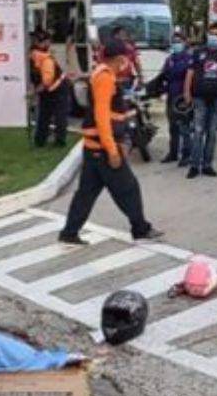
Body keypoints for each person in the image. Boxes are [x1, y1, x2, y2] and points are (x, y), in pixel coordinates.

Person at [59, 39, 163, 245]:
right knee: (129, 188)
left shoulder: (101, 73)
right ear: (118, 58)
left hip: (94, 147)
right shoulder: (105, 78)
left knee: (86, 193)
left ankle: (69, 232)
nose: (127, 61)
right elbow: (102, 116)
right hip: (103, 148)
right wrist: (112, 149)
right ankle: (140, 228)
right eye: (125, 57)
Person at [185, 22, 217, 178]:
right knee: (198, 131)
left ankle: (207, 165)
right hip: (199, 97)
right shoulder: (198, 52)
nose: (214, 36)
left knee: (212, 133)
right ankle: (194, 165)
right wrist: (187, 92)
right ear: (207, 34)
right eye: (212, 33)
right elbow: (190, 73)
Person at [156, 32, 194, 165]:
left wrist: (188, 94)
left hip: (183, 96)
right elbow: (164, 75)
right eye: (174, 41)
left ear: (185, 42)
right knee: (172, 126)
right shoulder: (170, 59)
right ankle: (173, 153)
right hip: (171, 95)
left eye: (179, 41)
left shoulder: (189, 59)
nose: (176, 44)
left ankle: (186, 154)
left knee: (184, 126)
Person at [30, 30, 69, 147]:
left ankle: (40, 140)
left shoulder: (35, 56)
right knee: (58, 116)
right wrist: (37, 90)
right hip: (57, 88)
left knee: (45, 115)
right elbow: (47, 80)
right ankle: (58, 141)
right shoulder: (46, 58)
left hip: (53, 89)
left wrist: (35, 91)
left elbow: (45, 80)